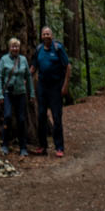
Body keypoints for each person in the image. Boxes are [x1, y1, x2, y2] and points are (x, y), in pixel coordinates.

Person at [33, 23, 72, 157]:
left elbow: (68, 67)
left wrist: (65, 86)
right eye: (44, 34)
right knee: (41, 116)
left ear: (52, 35)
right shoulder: (38, 49)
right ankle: (42, 146)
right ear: (41, 36)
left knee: (56, 117)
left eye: (48, 34)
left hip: (56, 87)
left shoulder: (58, 48)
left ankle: (59, 147)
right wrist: (25, 77)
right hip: (42, 87)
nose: (46, 36)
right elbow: (34, 67)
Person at [0, 34, 34, 156]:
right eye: (13, 46)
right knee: (7, 116)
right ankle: (5, 144)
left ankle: (23, 147)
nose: (15, 49)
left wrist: (31, 93)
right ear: (9, 47)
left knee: (21, 119)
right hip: (8, 94)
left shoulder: (23, 60)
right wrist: (0, 95)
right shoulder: (4, 60)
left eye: (16, 47)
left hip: (21, 93)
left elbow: (28, 76)